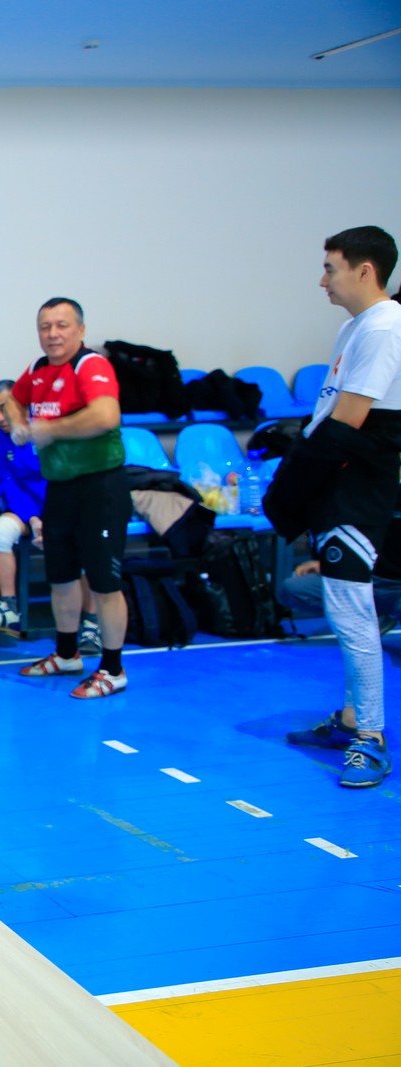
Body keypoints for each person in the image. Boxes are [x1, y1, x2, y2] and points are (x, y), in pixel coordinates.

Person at [276, 226, 401, 788]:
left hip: (359, 485)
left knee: (352, 612)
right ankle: (352, 719)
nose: (322, 280)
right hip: (339, 481)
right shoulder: (355, 326)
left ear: (365, 271)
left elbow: (348, 421)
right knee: (343, 607)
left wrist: (295, 485)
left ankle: (370, 736)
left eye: (331, 268)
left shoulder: (385, 326)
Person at [9, 298, 132, 698]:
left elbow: (106, 416)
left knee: (104, 583)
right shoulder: (37, 368)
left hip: (100, 488)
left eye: (62, 325)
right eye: (45, 326)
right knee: (61, 577)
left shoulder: (91, 365)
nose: (52, 334)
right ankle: (66, 655)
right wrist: (19, 423)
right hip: (60, 487)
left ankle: (112, 669)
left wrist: (51, 428)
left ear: (80, 330)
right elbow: (13, 398)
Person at [0, 380, 100, 652]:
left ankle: (92, 625)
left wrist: (52, 519)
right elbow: (8, 484)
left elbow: (65, 477)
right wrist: (33, 519)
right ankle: (8, 608)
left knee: (84, 545)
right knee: (0, 531)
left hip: (64, 503)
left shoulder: (48, 428)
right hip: (26, 508)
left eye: (4, 409)